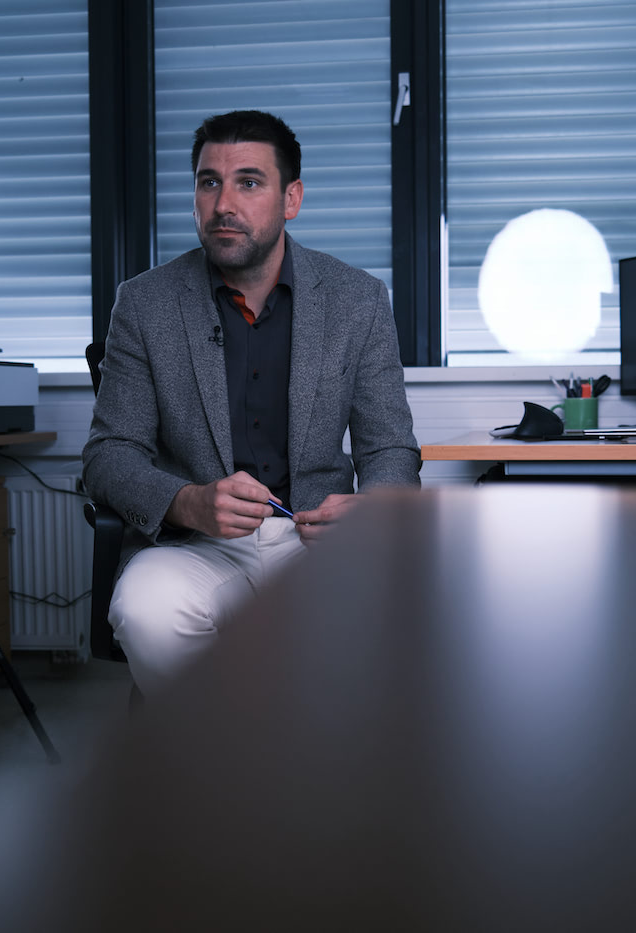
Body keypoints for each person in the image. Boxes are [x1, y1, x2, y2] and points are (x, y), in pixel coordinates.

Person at [82, 110, 420, 693]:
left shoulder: (357, 299)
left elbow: (390, 447)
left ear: (291, 198)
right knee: (144, 609)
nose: (222, 204)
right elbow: (108, 455)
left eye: (248, 182)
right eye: (208, 182)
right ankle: (231, 767)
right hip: (199, 546)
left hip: (316, 542)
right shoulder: (144, 304)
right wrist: (187, 502)